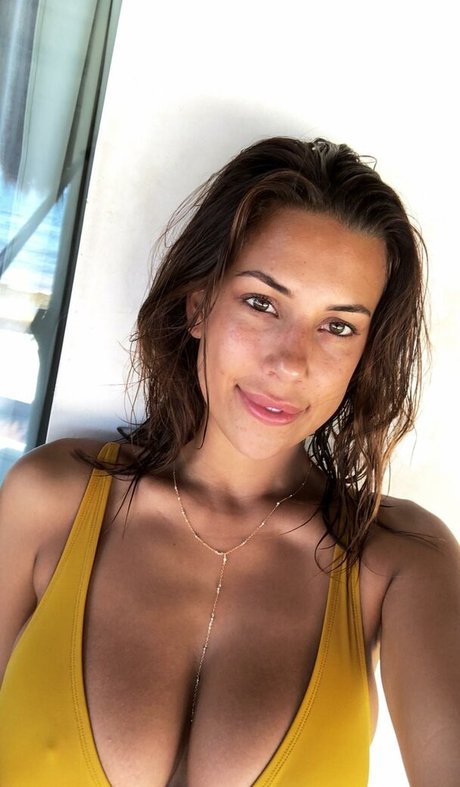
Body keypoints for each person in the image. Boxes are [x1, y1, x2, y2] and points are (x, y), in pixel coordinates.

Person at [0, 136, 459, 787]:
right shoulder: (48, 501)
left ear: (365, 354)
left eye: (337, 326)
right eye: (262, 302)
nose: (289, 362)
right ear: (198, 306)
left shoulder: (401, 561)